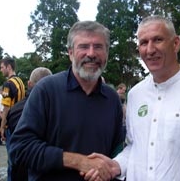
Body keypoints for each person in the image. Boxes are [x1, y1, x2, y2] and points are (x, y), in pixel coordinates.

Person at [85, 15, 180, 180]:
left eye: (157, 40)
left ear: (176, 43)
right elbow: (135, 148)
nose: (150, 50)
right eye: (144, 43)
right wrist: (117, 165)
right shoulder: (136, 94)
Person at [9, 21, 123, 181]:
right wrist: (78, 161)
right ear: (70, 53)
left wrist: (108, 169)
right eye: (83, 46)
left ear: (107, 53)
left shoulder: (112, 100)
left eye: (98, 47)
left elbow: (118, 153)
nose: (91, 53)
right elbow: (20, 148)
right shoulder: (46, 90)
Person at [7, 67, 52, 181]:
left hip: (20, 169)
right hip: (47, 168)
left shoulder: (15, 109)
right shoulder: (58, 109)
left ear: (29, 83)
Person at [0, 57, 25, 181]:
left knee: (11, 160)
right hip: (21, 122)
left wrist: (2, 126)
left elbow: (6, 107)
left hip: (12, 124)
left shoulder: (8, 84)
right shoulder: (20, 81)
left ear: (9, 67)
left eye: (2, 67)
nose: (1, 70)